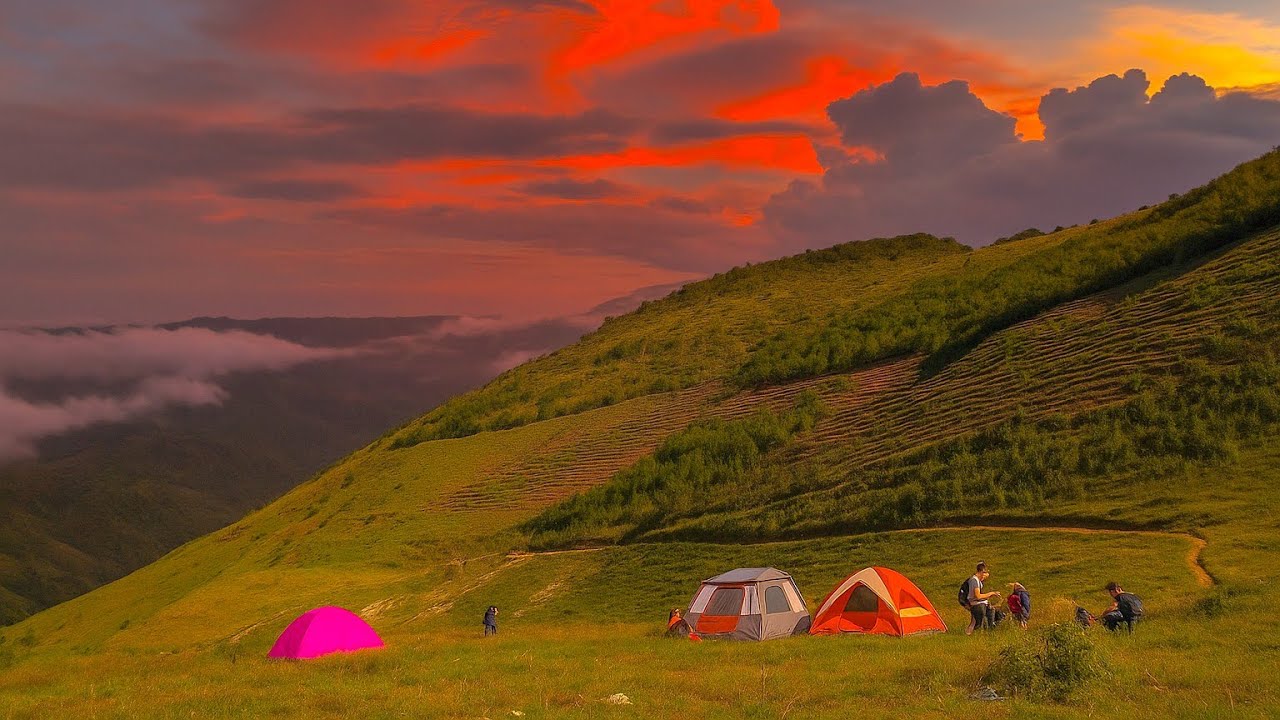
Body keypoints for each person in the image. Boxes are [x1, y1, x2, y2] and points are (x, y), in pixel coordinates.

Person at [962, 562, 1002, 635]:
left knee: (977, 621)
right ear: (982, 572)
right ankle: (971, 635)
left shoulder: (977, 581)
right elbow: (978, 596)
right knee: (976, 623)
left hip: (980, 604)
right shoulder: (974, 580)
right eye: (984, 576)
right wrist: (991, 593)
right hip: (977, 605)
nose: (984, 579)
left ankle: (985, 633)